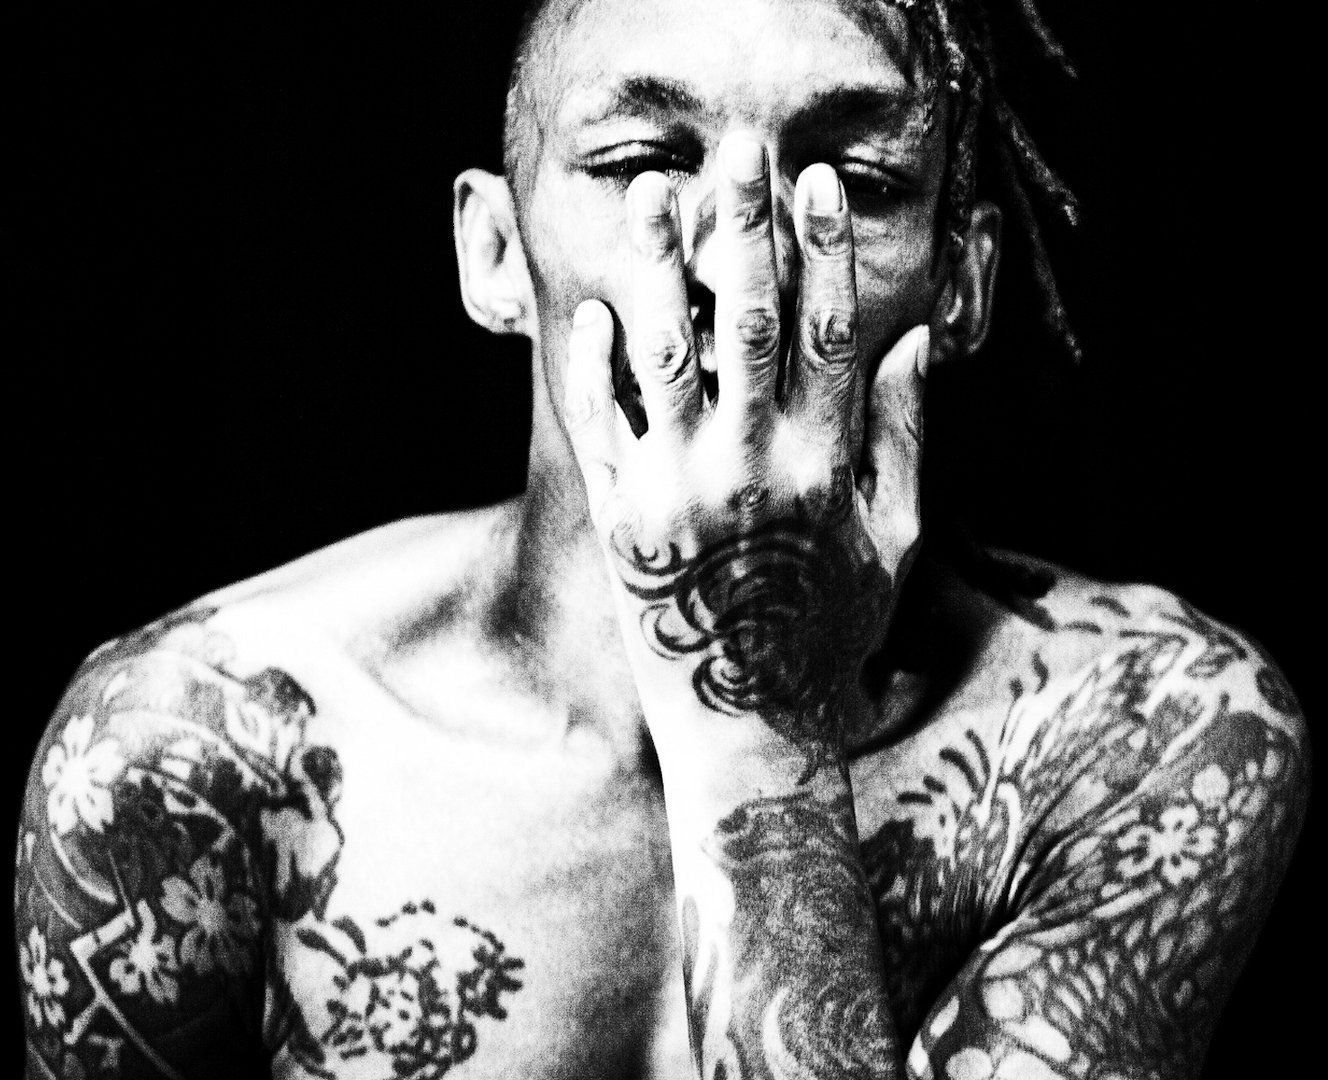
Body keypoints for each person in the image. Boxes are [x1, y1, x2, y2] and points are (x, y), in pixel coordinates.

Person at [14, 0, 1309, 1077]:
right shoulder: (198, 751)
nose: (739, 261)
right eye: (641, 163)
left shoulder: (1148, 739)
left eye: (853, 185)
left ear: (962, 283)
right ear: (496, 253)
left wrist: (755, 716)